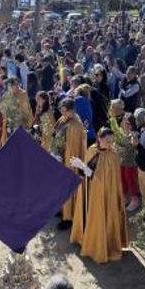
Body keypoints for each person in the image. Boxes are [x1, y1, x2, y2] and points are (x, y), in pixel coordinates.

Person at [70, 128, 128, 263]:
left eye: (112, 141)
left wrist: (84, 167)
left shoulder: (113, 155)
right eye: (108, 141)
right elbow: (88, 174)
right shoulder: (91, 150)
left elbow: (100, 179)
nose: (111, 144)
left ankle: (103, 246)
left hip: (107, 194)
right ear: (99, 139)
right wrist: (81, 167)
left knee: (103, 217)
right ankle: (88, 240)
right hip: (90, 192)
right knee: (90, 215)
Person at [52, 99, 87, 230]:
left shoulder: (74, 126)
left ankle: (68, 217)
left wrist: (63, 160)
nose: (62, 111)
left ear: (71, 110)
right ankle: (61, 209)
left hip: (69, 162)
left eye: (64, 109)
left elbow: (72, 149)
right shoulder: (64, 119)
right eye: (61, 108)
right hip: (60, 158)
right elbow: (56, 135)